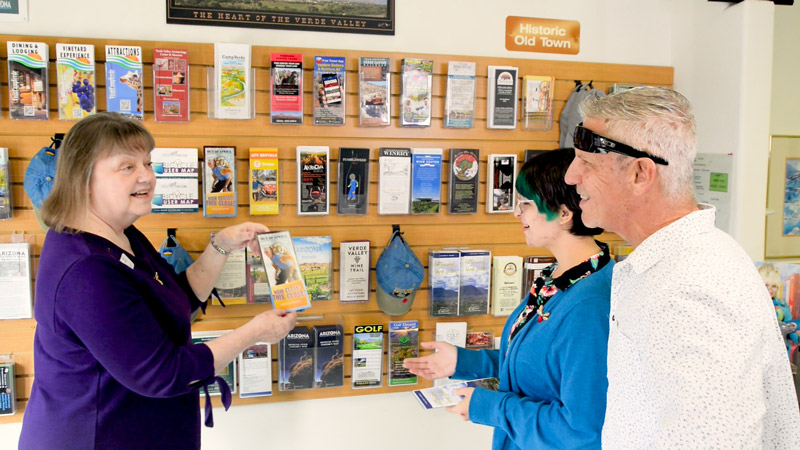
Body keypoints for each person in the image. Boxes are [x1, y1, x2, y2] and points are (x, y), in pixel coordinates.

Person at [18, 112, 298, 450]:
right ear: (83, 178)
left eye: (148, 163)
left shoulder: (121, 234)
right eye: (128, 167)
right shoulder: (85, 270)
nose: (147, 176)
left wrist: (223, 244)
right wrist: (254, 334)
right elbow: (163, 373)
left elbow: (176, 298)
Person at [564, 86, 800, 448]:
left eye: (587, 163)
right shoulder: (682, 263)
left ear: (640, 174)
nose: (570, 176)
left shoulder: (689, 289)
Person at [404, 148, 614, 450]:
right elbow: (540, 370)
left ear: (564, 213)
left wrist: (489, 407)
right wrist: (465, 361)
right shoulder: (559, 278)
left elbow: (581, 430)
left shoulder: (589, 307)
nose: (517, 213)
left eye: (526, 204)